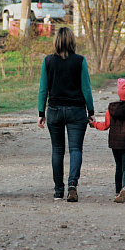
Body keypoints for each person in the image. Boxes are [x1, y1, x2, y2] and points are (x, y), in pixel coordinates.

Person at [37, 27, 95, 202]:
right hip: (76, 111)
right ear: (72, 41)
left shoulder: (48, 61)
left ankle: (58, 191)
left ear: (56, 41)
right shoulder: (80, 61)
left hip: (54, 110)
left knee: (57, 150)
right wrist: (91, 112)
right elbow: (86, 88)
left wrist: (41, 112)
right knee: (76, 149)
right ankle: (72, 184)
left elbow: (43, 90)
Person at [92, 78, 125, 203]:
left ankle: (117, 192)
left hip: (115, 143)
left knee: (118, 167)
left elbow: (105, 125)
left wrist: (93, 124)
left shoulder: (111, 108)